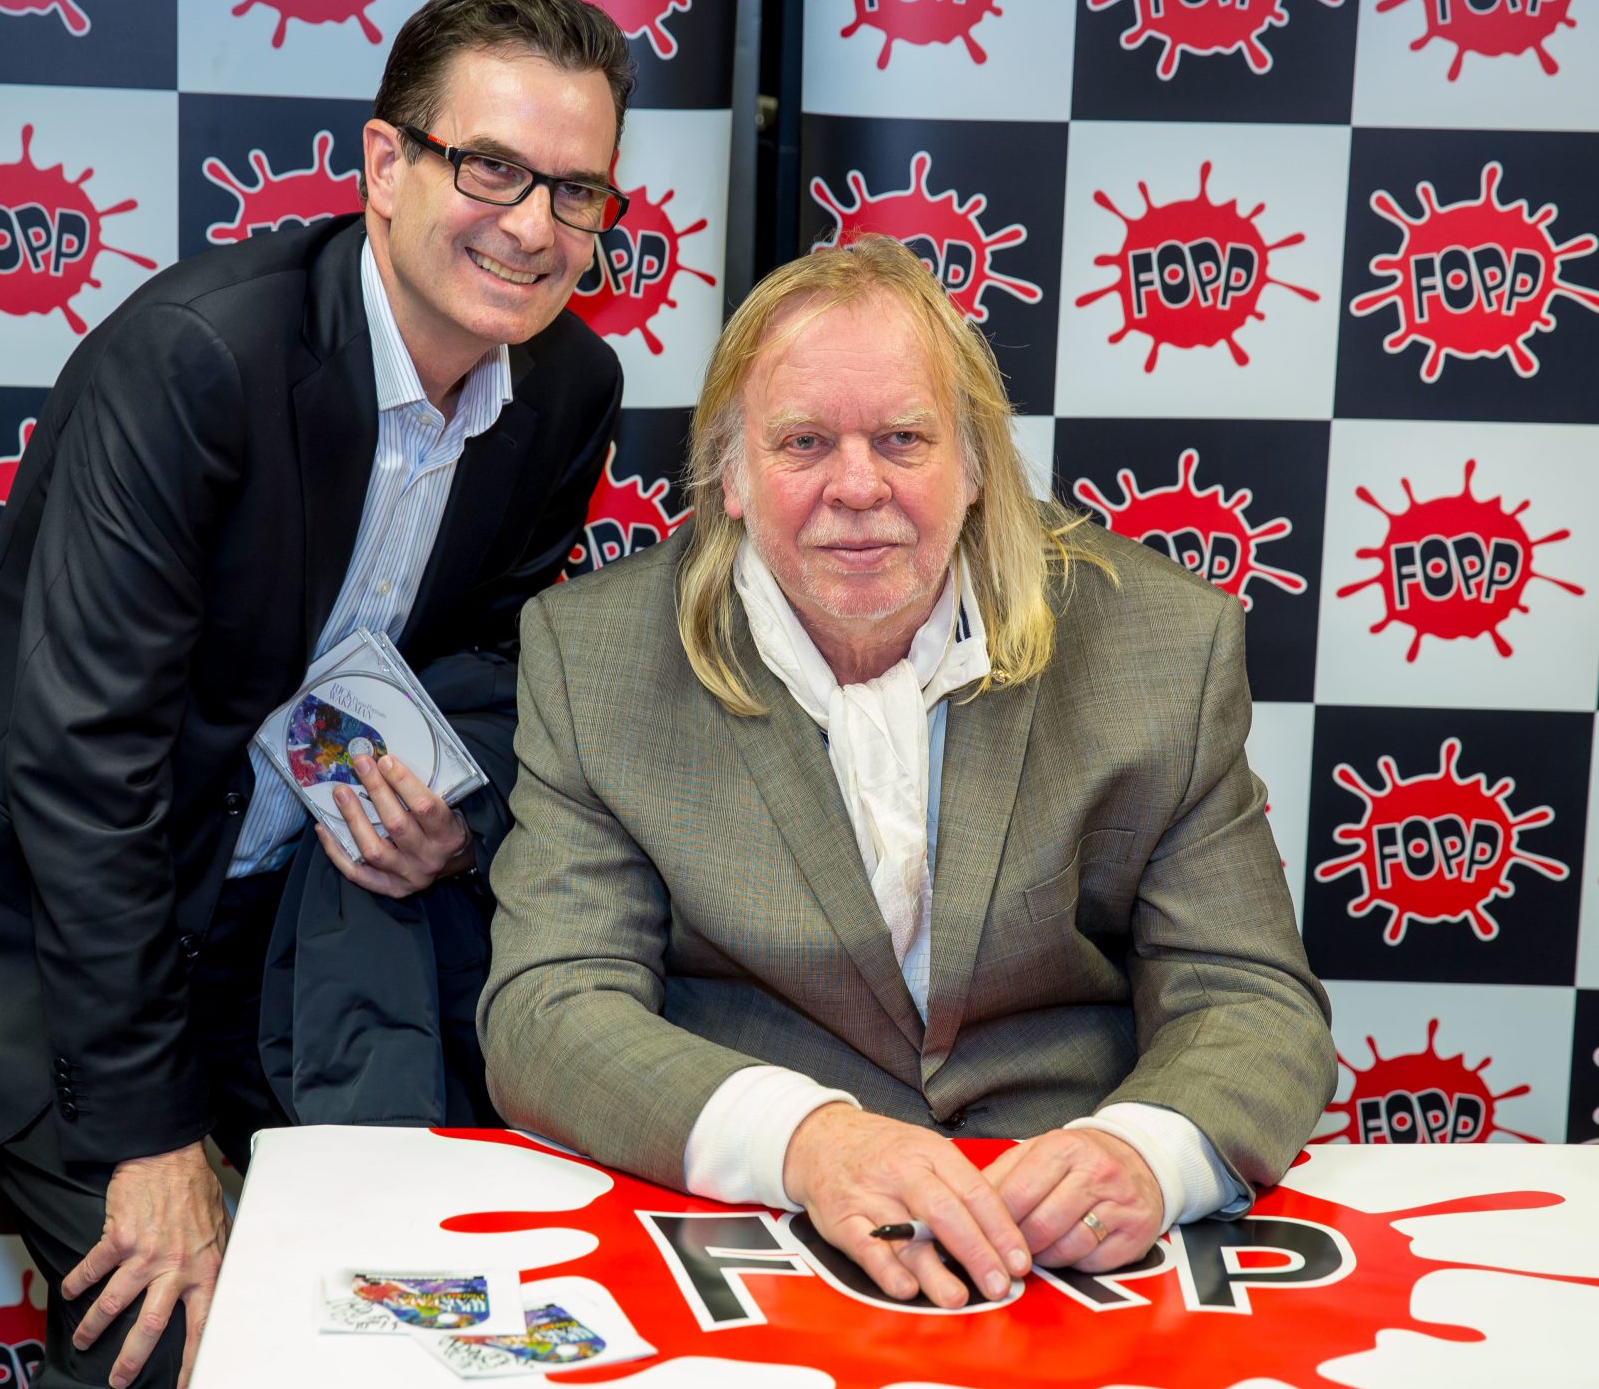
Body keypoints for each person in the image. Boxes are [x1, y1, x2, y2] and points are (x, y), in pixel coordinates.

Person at [0, 0, 632, 1388]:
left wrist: (459, 810)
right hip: (37, 919)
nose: (533, 226)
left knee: (379, 1325)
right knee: (182, 1334)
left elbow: (500, 652)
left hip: (281, 911)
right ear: (385, 164)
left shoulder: (570, 388)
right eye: (492, 167)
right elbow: (84, 761)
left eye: (578, 192)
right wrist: (150, 1137)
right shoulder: (197, 360)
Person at [478, 236, 1336, 1314]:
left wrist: (1146, 1152)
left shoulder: (1161, 643)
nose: (856, 486)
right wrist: (806, 1141)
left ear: (975, 466)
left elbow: (1249, 995)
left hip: (1070, 1249)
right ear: (731, 474)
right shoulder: (593, 655)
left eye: (903, 439)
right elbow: (550, 1007)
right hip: (750, 1227)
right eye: (803, 442)